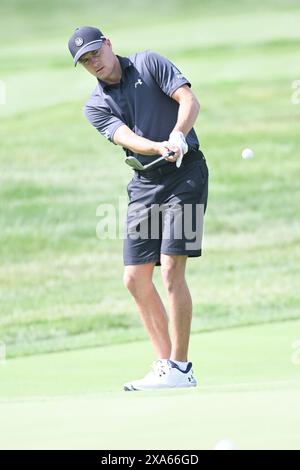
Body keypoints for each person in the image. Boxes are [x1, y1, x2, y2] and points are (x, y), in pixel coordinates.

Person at [68, 26, 209, 391]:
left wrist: (178, 135)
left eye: (96, 52)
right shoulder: (95, 105)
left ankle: (181, 366)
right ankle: (166, 366)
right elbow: (124, 138)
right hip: (145, 185)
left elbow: (189, 101)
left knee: (171, 269)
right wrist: (159, 146)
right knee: (134, 278)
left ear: (109, 44)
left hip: (186, 174)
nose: (94, 62)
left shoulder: (149, 63)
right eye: (85, 61)